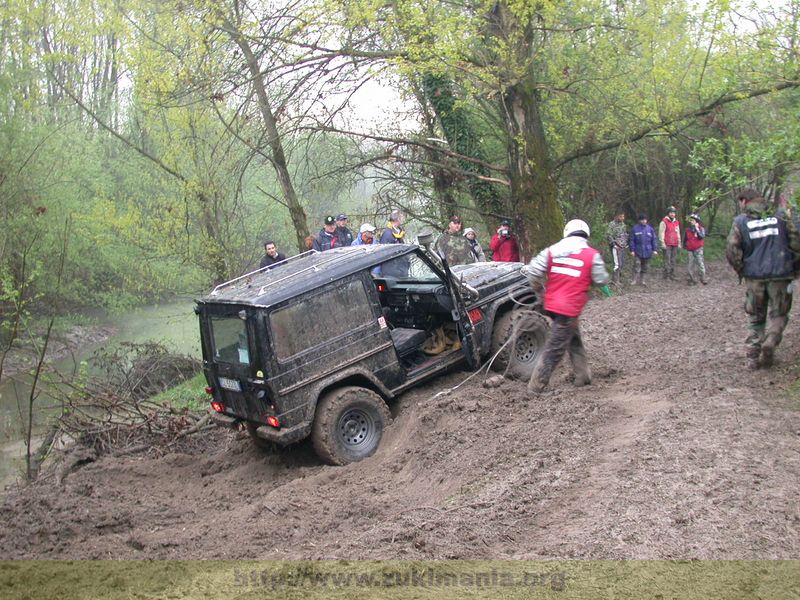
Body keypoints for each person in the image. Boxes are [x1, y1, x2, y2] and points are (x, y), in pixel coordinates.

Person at [521, 219, 610, 393]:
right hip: (570, 308)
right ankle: (536, 386)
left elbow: (532, 271)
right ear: (586, 233)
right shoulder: (592, 254)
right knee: (555, 347)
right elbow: (601, 279)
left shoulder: (551, 251)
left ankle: (583, 376)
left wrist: (539, 291)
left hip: (551, 304)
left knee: (572, 336)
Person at [725, 188, 800, 369]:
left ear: (744, 201)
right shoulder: (781, 217)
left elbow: (732, 250)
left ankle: (753, 356)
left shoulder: (741, 221)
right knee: (779, 313)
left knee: (755, 316)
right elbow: (796, 240)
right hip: (781, 274)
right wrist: (795, 265)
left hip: (754, 276)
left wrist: (741, 269)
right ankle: (771, 340)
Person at [629, 214, 658, 286]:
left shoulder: (650, 229)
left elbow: (653, 239)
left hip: (647, 251)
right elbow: (631, 240)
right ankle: (634, 280)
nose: (644, 221)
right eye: (642, 220)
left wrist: (654, 249)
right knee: (637, 265)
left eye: (645, 219)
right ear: (639, 220)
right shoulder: (635, 229)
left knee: (645, 267)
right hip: (637, 251)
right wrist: (632, 250)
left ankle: (642, 281)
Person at [605, 210, 629, 285]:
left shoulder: (623, 225)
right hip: (614, 246)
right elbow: (609, 235)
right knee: (617, 263)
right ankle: (615, 280)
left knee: (621, 262)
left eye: (623, 216)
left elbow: (624, 234)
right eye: (621, 216)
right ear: (617, 216)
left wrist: (625, 243)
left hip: (622, 246)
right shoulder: (611, 224)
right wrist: (613, 244)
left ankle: (616, 278)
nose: (622, 218)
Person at [684, 213, 708, 285]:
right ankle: (692, 279)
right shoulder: (688, 230)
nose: (692, 221)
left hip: (698, 249)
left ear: (697, 221)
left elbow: (701, 236)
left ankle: (703, 277)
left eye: (694, 220)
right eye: (691, 220)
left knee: (700, 263)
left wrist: (697, 229)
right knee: (690, 264)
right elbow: (685, 239)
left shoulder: (701, 229)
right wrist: (685, 245)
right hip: (690, 249)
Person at [658, 206, 681, 279]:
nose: (672, 214)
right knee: (667, 259)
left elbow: (678, 233)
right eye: (671, 213)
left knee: (673, 260)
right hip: (667, 243)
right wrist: (662, 243)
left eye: (673, 213)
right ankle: (666, 275)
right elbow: (661, 233)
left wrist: (679, 242)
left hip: (675, 243)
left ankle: (673, 274)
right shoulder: (664, 222)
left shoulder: (676, 222)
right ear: (668, 213)